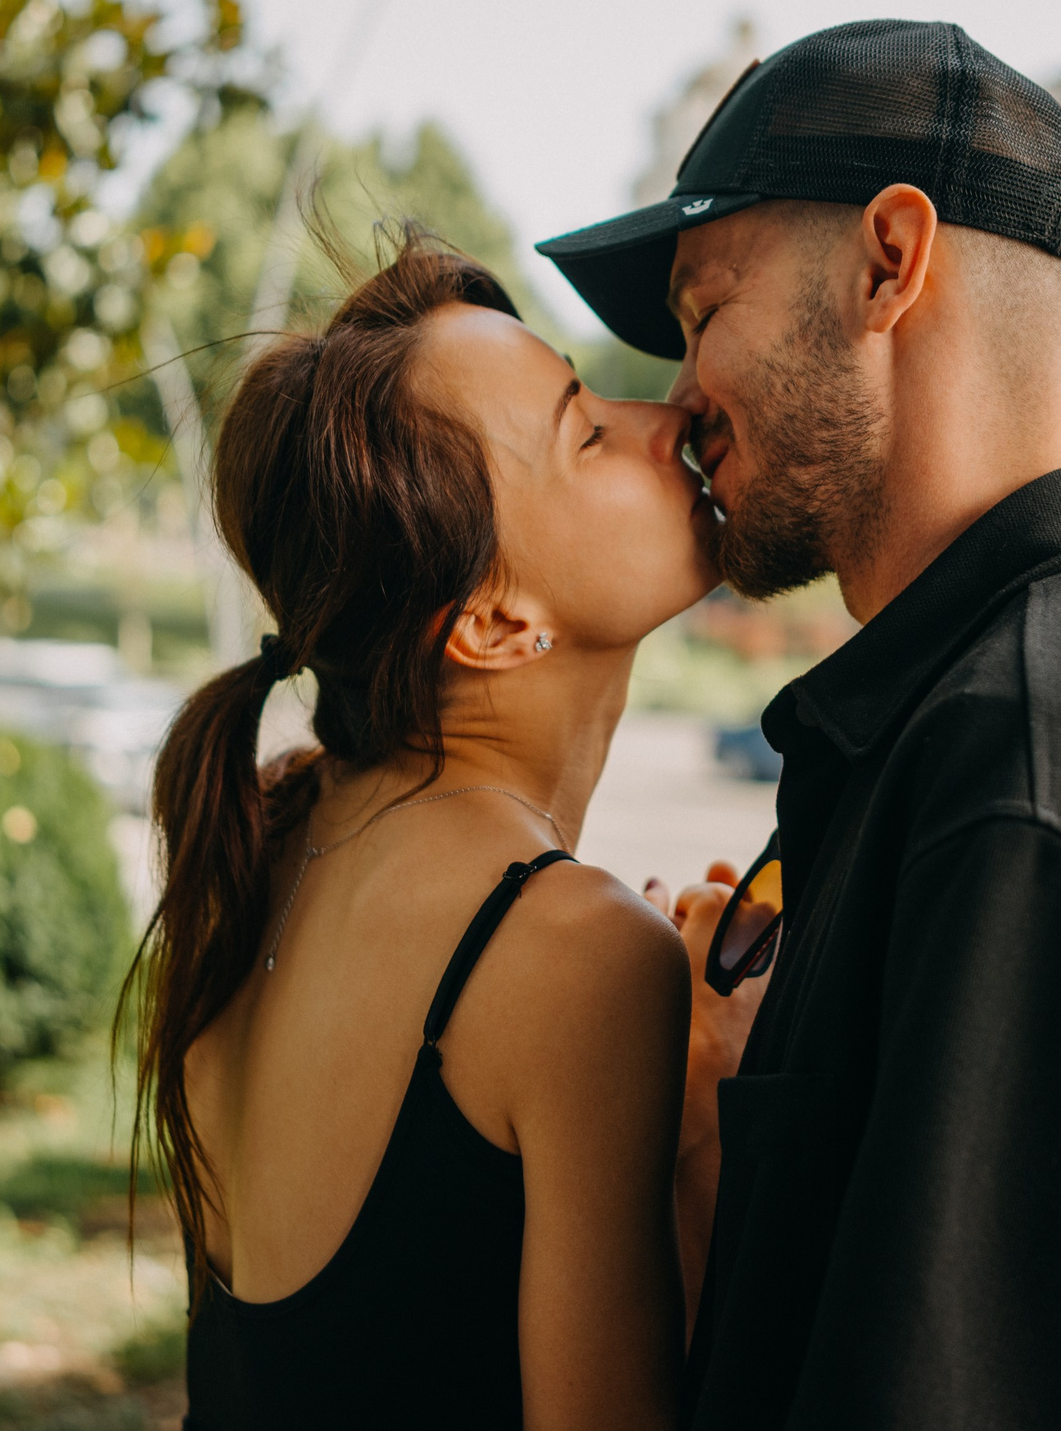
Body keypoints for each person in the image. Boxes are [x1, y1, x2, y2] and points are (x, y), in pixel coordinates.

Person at [538, 19, 1061, 1429]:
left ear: (890, 263)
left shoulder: (1028, 770)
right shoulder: (1048, 708)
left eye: (703, 306)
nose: (679, 396)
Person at [128, 233, 715, 1429]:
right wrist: (702, 1120)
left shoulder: (276, 837)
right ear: (494, 622)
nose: (668, 418)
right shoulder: (579, 955)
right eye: (588, 432)